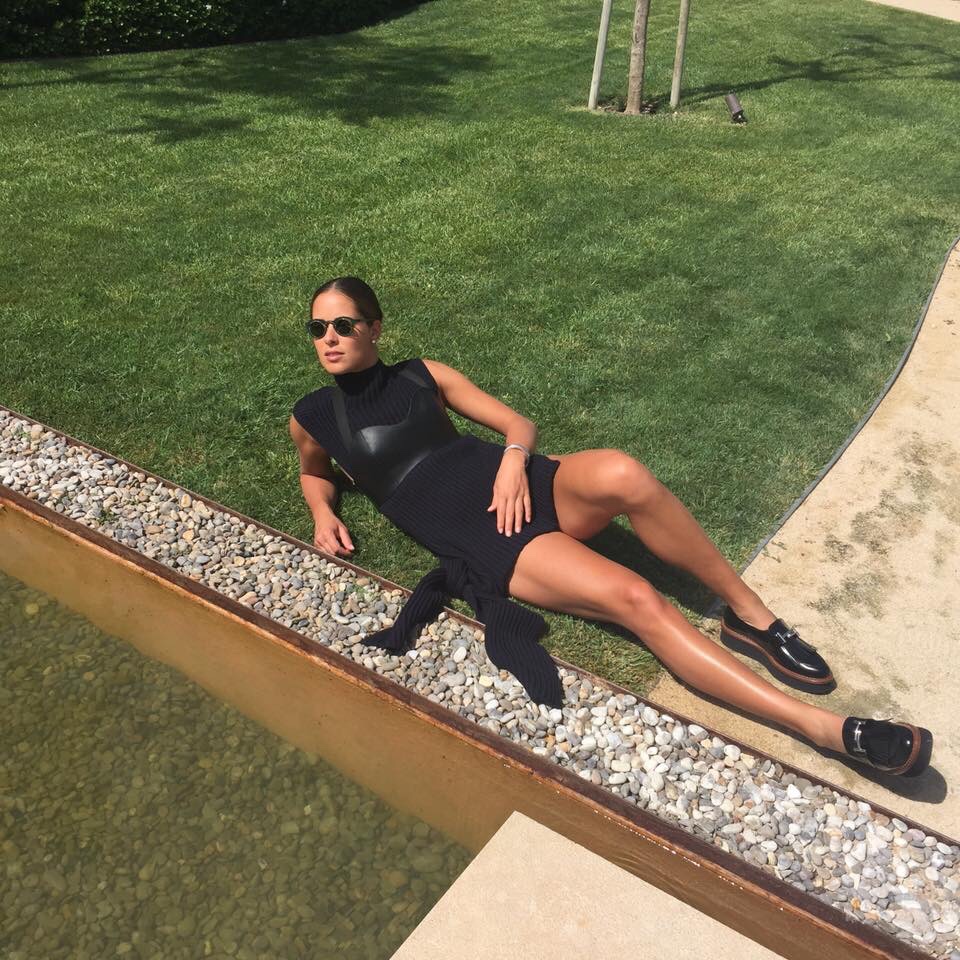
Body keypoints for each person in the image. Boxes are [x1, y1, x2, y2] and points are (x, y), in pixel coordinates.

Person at [290, 276, 933, 779]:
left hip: (517, 481)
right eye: (318, 328)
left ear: (375, 328)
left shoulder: (422, 374)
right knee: (637, 598)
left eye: (344, 325)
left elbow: (518, 425)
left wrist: (513, 463)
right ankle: (822, 728)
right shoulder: (313, 414)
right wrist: (323, 511)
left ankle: (749, 615)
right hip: (484, 532)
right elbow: (315, 474)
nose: (329, 339)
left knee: (624, 474)